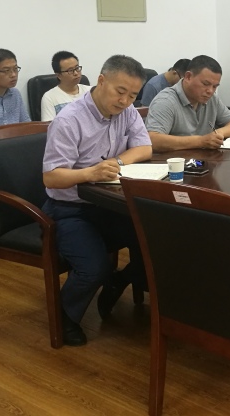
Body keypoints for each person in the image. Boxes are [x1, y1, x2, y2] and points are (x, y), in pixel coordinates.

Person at [42, 55, 153, 346]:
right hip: (69, 209)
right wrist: (90, 173)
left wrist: (116, 162)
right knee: (93, 268)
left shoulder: (126, 112)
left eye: (133, 95)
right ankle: (64, 317)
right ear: (101, 81)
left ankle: (119, 281)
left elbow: (144, 148)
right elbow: (51, 177)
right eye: (120, 91)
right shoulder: (69, 119)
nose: (125, 101)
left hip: (109, 204)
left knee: (157, 242)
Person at [145, 55, 230, 151]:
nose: (210, 91)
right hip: (175, 160)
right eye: (205, 84)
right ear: (188, 77)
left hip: (204, 159)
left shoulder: (212, 99)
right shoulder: (165, 101)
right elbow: (153, 140)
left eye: (215, 86)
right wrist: (201, 141)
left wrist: (217, 134)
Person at [40, 50, 90, 121]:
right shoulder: (49, 97)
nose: (76, 73)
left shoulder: (91, 91)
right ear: (59, 75)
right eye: (70, 70)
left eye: (77, 68)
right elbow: (49, 126)